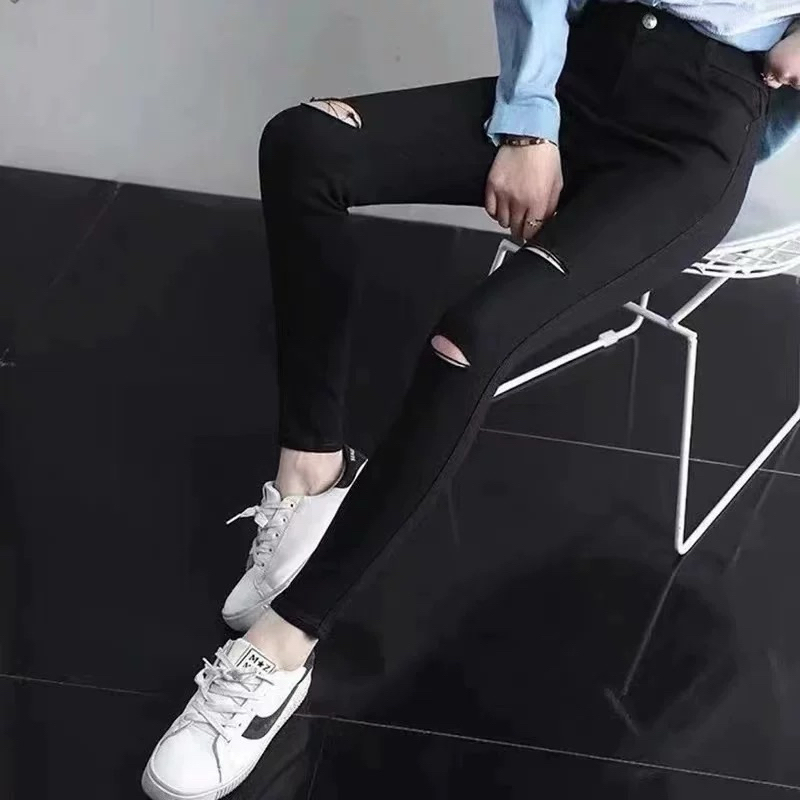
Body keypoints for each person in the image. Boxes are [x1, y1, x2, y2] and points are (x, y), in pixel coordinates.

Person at [142, 2, 800, 798]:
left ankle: (279, 653)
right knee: (306, 144)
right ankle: (312, 478)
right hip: (581, 69)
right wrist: (528, 127)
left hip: (696, 136)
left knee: (470, 340)